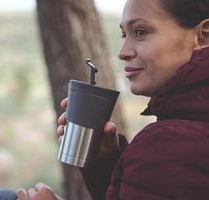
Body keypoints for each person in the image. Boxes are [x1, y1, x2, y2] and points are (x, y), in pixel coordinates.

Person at [16, 0, 209, 199]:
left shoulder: (170, 142)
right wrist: (106, 162)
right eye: (124, 34)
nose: (123, 52)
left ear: (203, 36)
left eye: (140, 32)